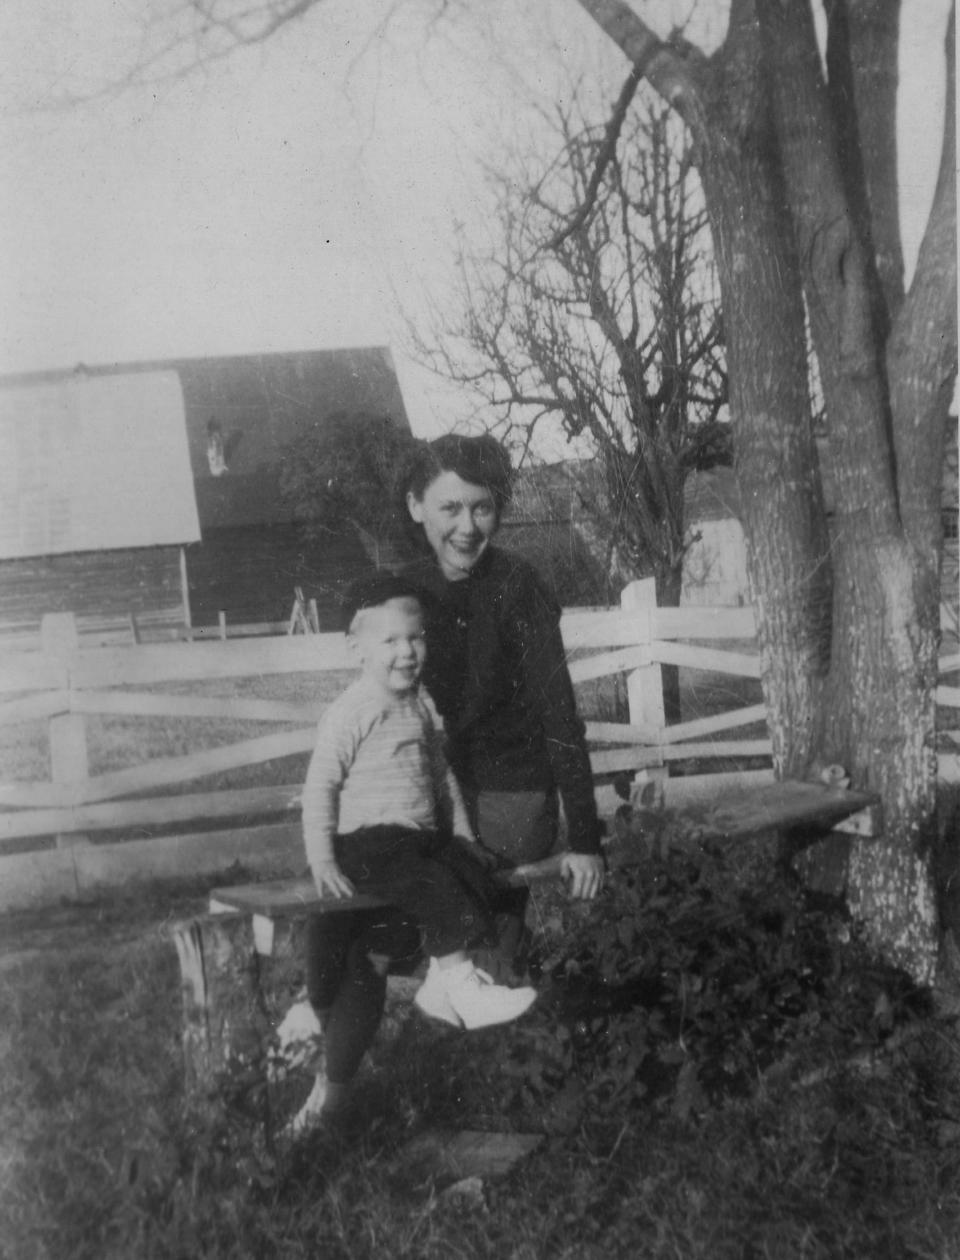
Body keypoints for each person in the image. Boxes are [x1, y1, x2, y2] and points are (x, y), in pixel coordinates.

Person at [284, 571, 536, 1133]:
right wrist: (322, 859)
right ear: (357, 648)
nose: (406, 652)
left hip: (413, 840)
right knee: (430, 884)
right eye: (390, 641)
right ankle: (456, 978)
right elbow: (321, 785)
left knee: (466, 871)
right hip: (366, 843)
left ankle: (440, 985)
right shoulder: (355, 708)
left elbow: (442, 778)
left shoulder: (420, 707)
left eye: (416, 639)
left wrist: (466, 836)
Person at [399, 433, 605, 969]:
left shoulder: (519, 586)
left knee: (485, 949)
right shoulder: (404, 593)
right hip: (431, 790)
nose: (467, 528)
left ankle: (509, 1019)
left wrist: (584, 836)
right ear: (415, 505)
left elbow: (560, 712)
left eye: (482, 508)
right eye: (449, 507)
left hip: (509, 791)